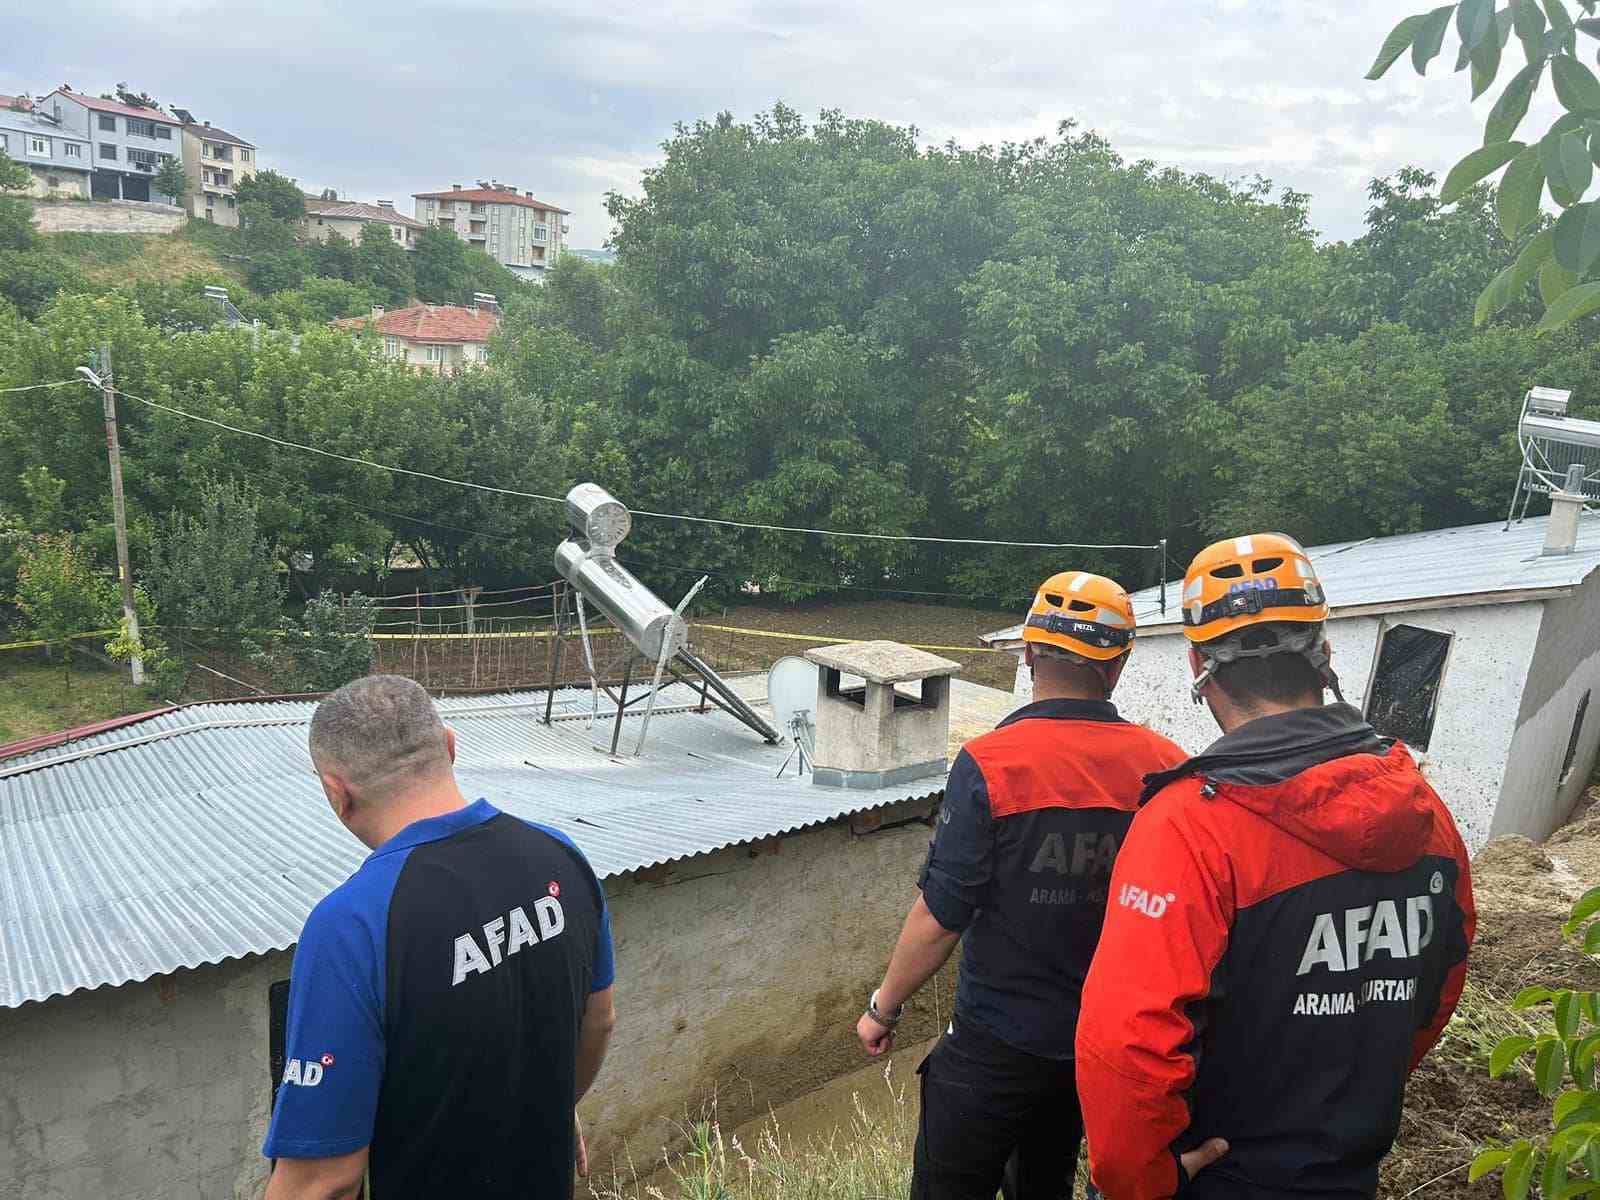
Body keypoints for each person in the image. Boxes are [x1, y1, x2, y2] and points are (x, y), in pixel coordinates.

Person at [1076, 533, 1476, 1200]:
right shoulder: (1425, 809)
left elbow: (1127, 1044)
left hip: (1217, 1174)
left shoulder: (1190, 824)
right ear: (1324, 651)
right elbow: (1442, 981)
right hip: (1346, 1169)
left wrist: (1140, 1180)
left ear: (1198, 663)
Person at [855, 572, 1187, 1200]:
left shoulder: (990, 763)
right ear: (1117, 665)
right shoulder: (1167, 766)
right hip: (1098, 1047)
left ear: (1029, 652)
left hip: (994, 1044)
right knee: (1046, 1182)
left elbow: (941, 916)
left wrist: (883, 1008)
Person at [262, 675, 617, 1200]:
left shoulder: (353, 923)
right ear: (450, 746)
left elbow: (324, 1180)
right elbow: (600, 1020)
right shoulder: (560, 855)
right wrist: (556, 1105)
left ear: (336, 792)